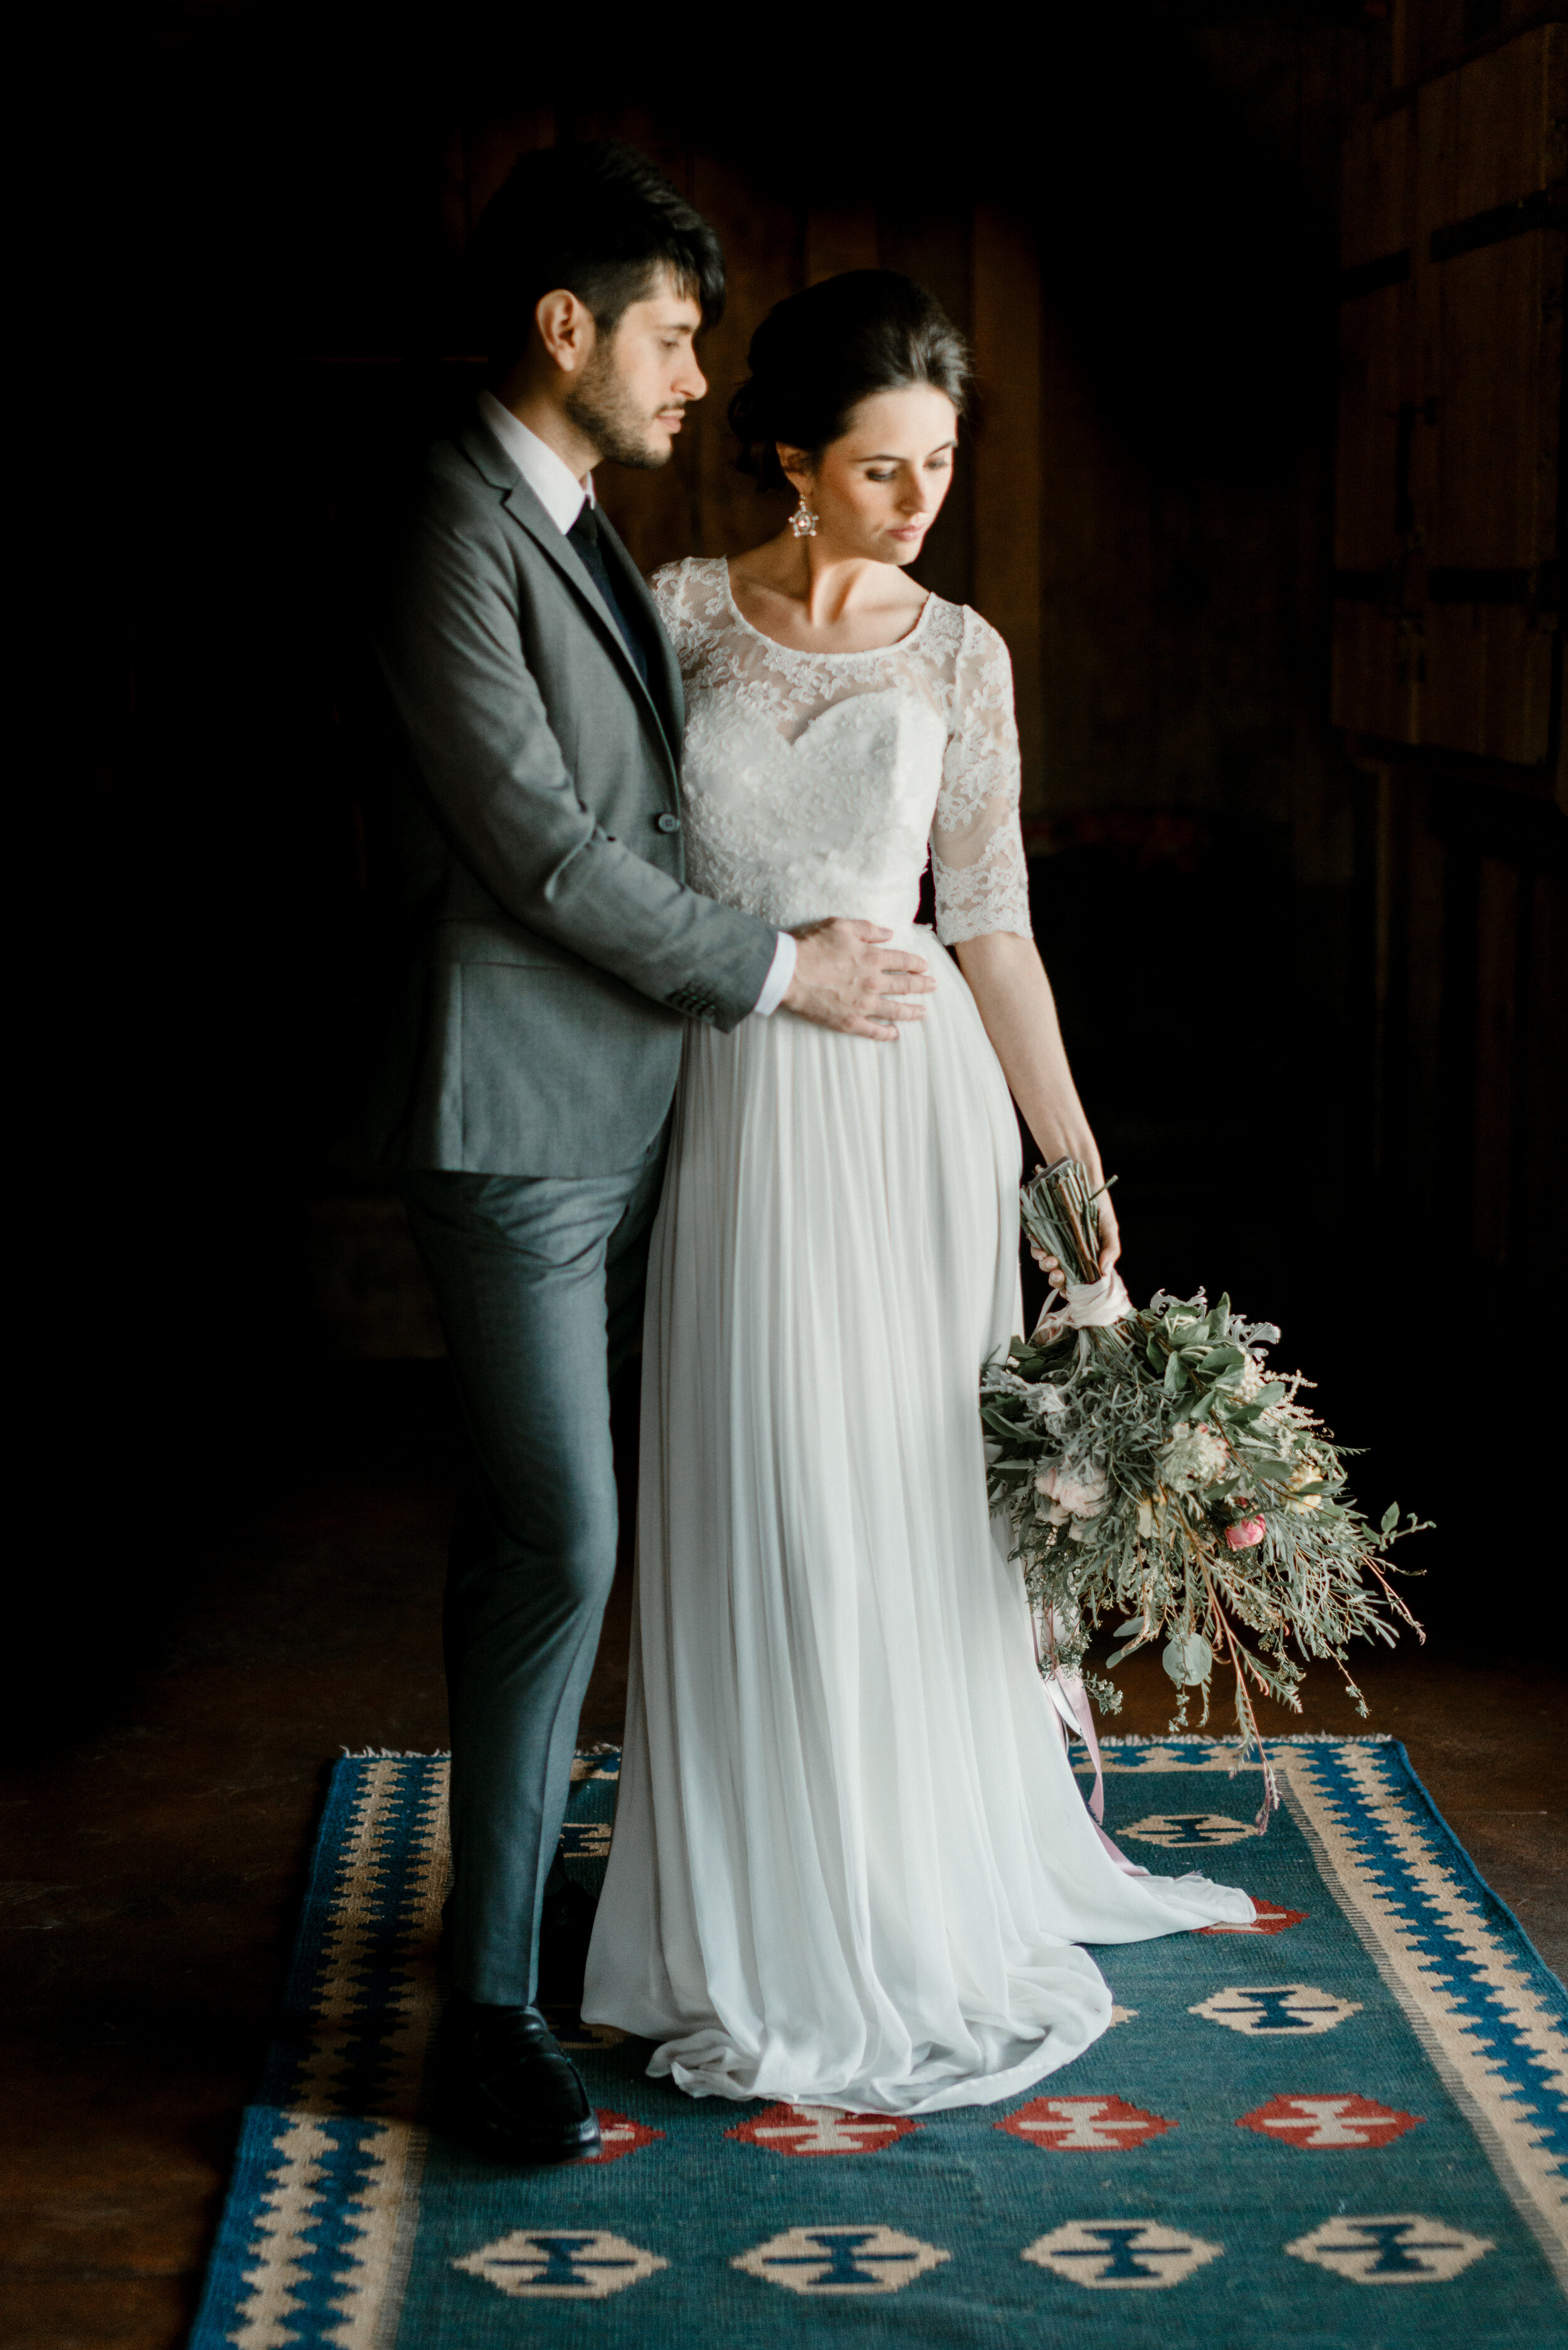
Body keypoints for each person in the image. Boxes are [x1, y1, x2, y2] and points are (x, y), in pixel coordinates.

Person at [580, 270, 1254, 2113]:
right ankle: (745, 1910)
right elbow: (611, 878)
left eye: (939, 466)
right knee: (757, 1481)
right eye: (881, 469)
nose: (916, 501)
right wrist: (758, 947)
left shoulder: (961, 654)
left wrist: (1071, 1163)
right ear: (791, 460)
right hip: (735, 1095)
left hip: (912, 1110)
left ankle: (906, 1874)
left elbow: (997, 925)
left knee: (897, 1492)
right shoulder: (680, 619)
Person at [368, 147, 932, 2166]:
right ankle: (490, 2008)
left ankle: (560, 1905)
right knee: (566, 1543)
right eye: (673, 335)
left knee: (566, 1538)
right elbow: (534, 846)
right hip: (518, 1122)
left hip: (646, 1115)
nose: (694, 374)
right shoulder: (448, 517)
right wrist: (778, 975)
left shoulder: (581, 514)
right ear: (566, 328)